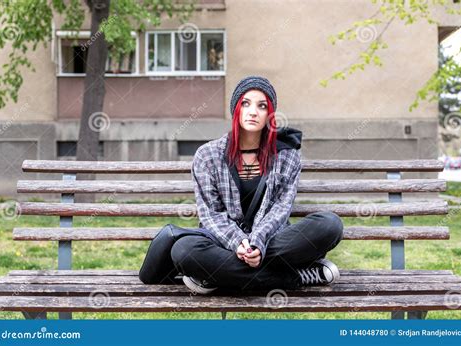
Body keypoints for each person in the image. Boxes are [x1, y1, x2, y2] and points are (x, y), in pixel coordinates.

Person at [139, 75, 344, 294]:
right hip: (222, 242)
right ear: (235, 109)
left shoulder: (287, 156)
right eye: (245, 103)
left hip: (272, 239)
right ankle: (296, 278)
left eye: (262, 106)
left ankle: (218, 276)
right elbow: (210, 214)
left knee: (329, 225)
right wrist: (238, 243)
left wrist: (257, 243)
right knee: (184, 250)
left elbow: (281, 210)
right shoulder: (208, 155)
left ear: (270, 115)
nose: (253, 111)